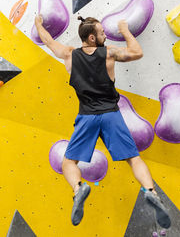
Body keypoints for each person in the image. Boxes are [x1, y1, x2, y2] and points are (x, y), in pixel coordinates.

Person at [35, 15, 171, 229]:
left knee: (69, 162)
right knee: (134, 159)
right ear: (91, 38)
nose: (105, 35)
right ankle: (151, 193)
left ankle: (78, 189)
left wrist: (38, 24)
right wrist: (125, 30)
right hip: (111, 115)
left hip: (87, 116)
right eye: (101, 33)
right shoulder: (108, 54)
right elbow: (137, 52)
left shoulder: (69, 55)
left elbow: (49, 41)